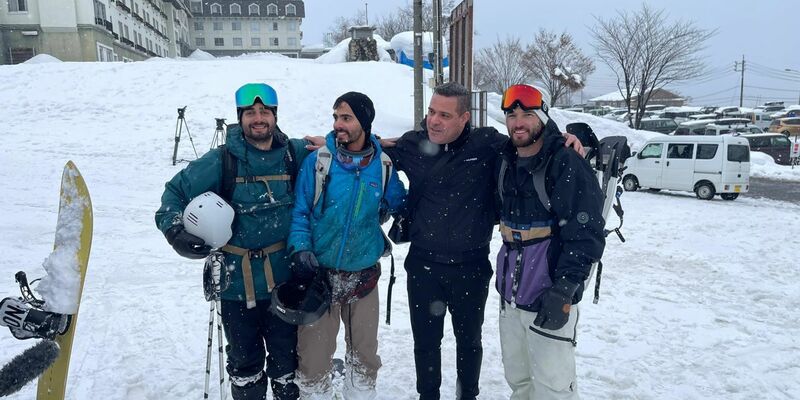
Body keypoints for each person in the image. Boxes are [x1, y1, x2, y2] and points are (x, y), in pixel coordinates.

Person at [155, 83, 311, 400]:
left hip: (285, 283)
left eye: (264, 111)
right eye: (250, 112)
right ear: (240, 118)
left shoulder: (293, 154)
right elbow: (174, 194)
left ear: (275, 116)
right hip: (236, 284)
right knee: (244, 366)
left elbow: (343, 151)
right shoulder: (222, 160)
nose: (258, 118)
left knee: (288, 365)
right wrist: (175, 233)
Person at [287, 92, 406, 399]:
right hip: (320, 276)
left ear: (364, 123)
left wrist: (402, 213)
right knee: (313, 362)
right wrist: (301, 248)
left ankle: (360, 394)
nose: (338, 124)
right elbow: (300, 212)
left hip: (364, 275)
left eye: (346, 118)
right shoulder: (319, 162)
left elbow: (400, 203)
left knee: (364, 359)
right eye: (336, 117)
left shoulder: (382, 166)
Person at [495, 84, 605, 399]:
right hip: (510, 298)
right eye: (512, 115)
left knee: (553, 387)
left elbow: (586, 234)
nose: (518, 123)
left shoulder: (565, 162)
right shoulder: (505, 160)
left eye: (527, 115)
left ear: (543, 117)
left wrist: (564, 290)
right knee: (519, 380)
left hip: (549, 296)